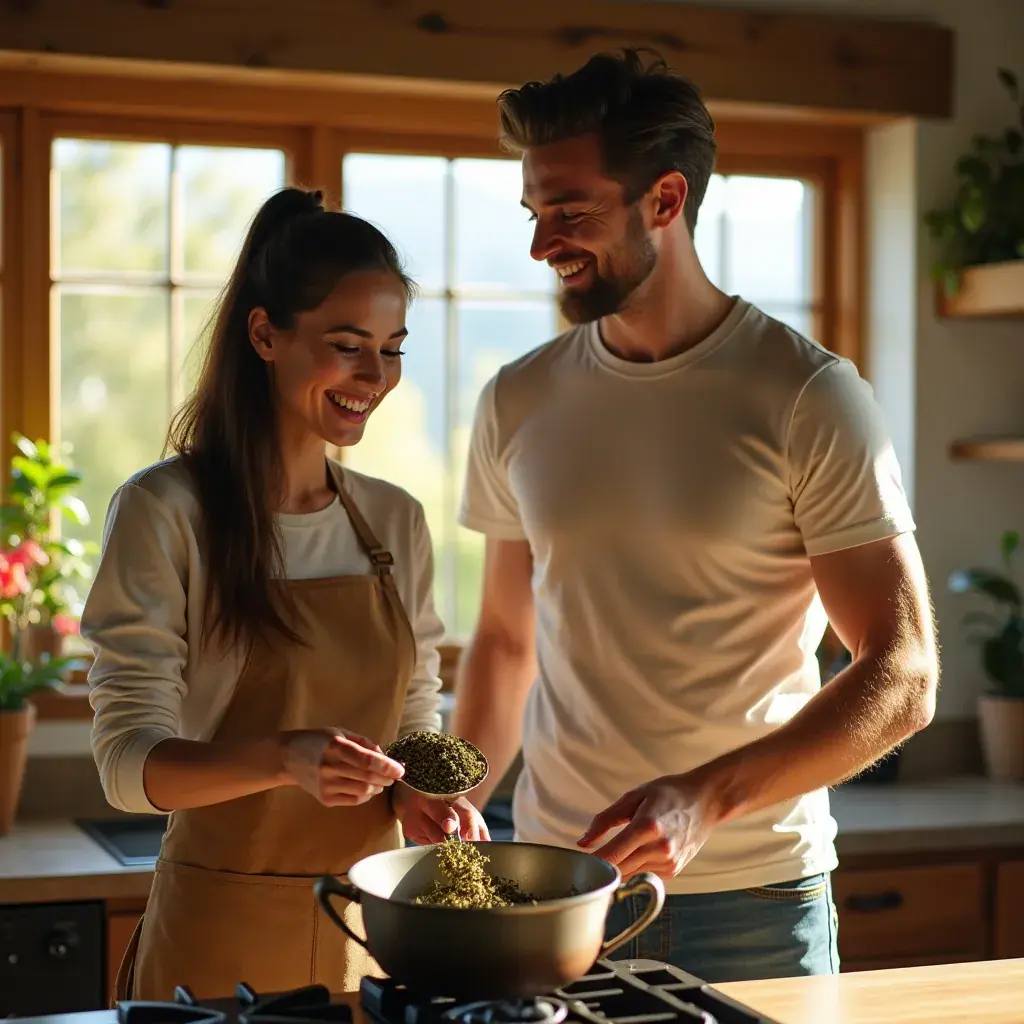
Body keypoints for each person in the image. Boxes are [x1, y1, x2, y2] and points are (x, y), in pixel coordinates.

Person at [452, 50, 938, 984]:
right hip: (560, 893)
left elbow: (904, 672)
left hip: (755, 903)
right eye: (534, 213)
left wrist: (704, 800)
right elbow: (507, 644)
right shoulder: (518, 399)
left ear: (665, 200)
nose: (542, 244)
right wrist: (457, 802)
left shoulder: (808, 395)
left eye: (570, 212)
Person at [82, 187, 488, 1002]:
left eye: (392, 349)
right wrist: (281, 758)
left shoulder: (394, 521)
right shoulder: (166, 510)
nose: (374, 376)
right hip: (215, 940)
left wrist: (417, 790)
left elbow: (414, 713)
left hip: (368, 929)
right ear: (265, 335)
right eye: (347, 346)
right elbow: (126, 766)